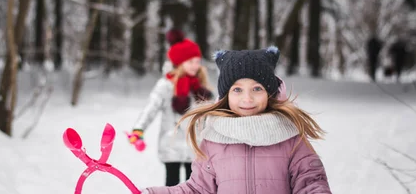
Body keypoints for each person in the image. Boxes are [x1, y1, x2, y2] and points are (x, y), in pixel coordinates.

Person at [142, 46, 332, 194]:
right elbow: (198, 190)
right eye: (237, 90)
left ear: (270, 93)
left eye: (257, 89)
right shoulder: (213, 140)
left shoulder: (290, 137)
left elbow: (311, 183)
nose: (247, 99)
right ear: (226, 95)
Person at [130, 29, 213, 186]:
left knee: (194, 185)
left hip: (194, 145)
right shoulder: (166, 85)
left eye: (197, 61)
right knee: (172, 185)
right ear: (180, 63)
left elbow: (211, 115)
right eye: (190, 62)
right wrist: (138, 129)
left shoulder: (200, 87)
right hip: (171, 143)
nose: (195, 65)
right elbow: (151, 108)